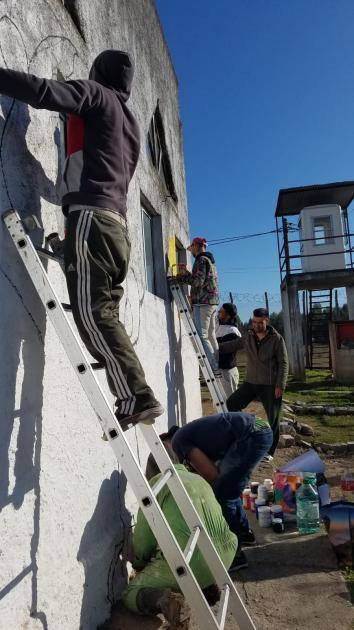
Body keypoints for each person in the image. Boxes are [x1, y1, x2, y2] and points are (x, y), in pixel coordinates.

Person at [0, 51, 163, 427]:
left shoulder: (96, 94)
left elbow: (44, 91)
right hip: (116, 227)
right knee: (104, 312)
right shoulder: (131, 123)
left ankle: (136, 396)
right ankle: (135, 393)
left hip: (92, 218)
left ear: (98, 73)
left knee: (92, 314)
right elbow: (99, 165)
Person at [121, 440, 238, 623]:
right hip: (226, 554)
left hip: (195, 560)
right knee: (190, 556)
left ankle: (166, 601)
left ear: (150, 469)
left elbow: (144, 541)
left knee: (130, 593)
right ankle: (205, 586)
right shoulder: (198, 478)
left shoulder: (156, 485)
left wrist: (139, 562)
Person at [172, 412, 273, 571]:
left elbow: (211, 474)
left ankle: (234, 554)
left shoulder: (178, 442)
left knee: (223, 495)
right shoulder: (191, 434)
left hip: (251, 435)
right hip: (257, 430)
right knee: (230, 489)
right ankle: (245, 534)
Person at [226, 308, 288, 459]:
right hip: (251, 382)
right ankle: (249, 432)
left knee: (273, 418)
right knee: (232, 403)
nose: (256, 325)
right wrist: (215, 348)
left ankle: (269, 452)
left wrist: (280, 384)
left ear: (267, 321)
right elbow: (234, 345)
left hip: (270, 384)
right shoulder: (248, 336)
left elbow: (284, 363)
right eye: (254, 321)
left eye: (260, 322)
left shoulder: (277, 339)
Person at [177, 237, 220, 373]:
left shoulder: (201, 260)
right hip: (212, 302)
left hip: (202, 303)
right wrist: (188, 273)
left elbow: (197, 282)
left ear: (196, 246)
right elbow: (202, 280)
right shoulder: (210, 261)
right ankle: (217, 362)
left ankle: (213, 367)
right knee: (211, 335)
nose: (191, 251)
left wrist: (181, 277)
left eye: (192, 248)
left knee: (202, 336)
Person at [216, 303, 243, 398]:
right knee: (219, 405)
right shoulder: (219, 327)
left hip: (227, 372)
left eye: (221, 311)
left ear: (228, 315)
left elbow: (224, 352)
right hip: (220, 371)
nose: (218, 312)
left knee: (230, 404)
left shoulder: (232, 331)